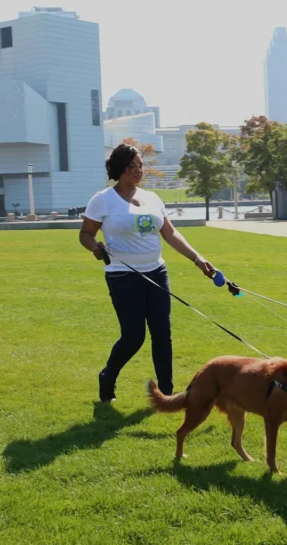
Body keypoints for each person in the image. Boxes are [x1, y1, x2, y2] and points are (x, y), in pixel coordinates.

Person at [79, 144, 215, 403]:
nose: (138, 170)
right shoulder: (102, 199)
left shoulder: (152, 198)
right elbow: (86, 234)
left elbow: (170, 233)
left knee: (162, 332)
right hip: (122, 275)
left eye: (140, 165)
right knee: (133, 336)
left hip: (156, 272)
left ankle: (167, 393)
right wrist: (95, 247)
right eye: (132, 166)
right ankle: (107, 376)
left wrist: (198, 259)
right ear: (119, 169)